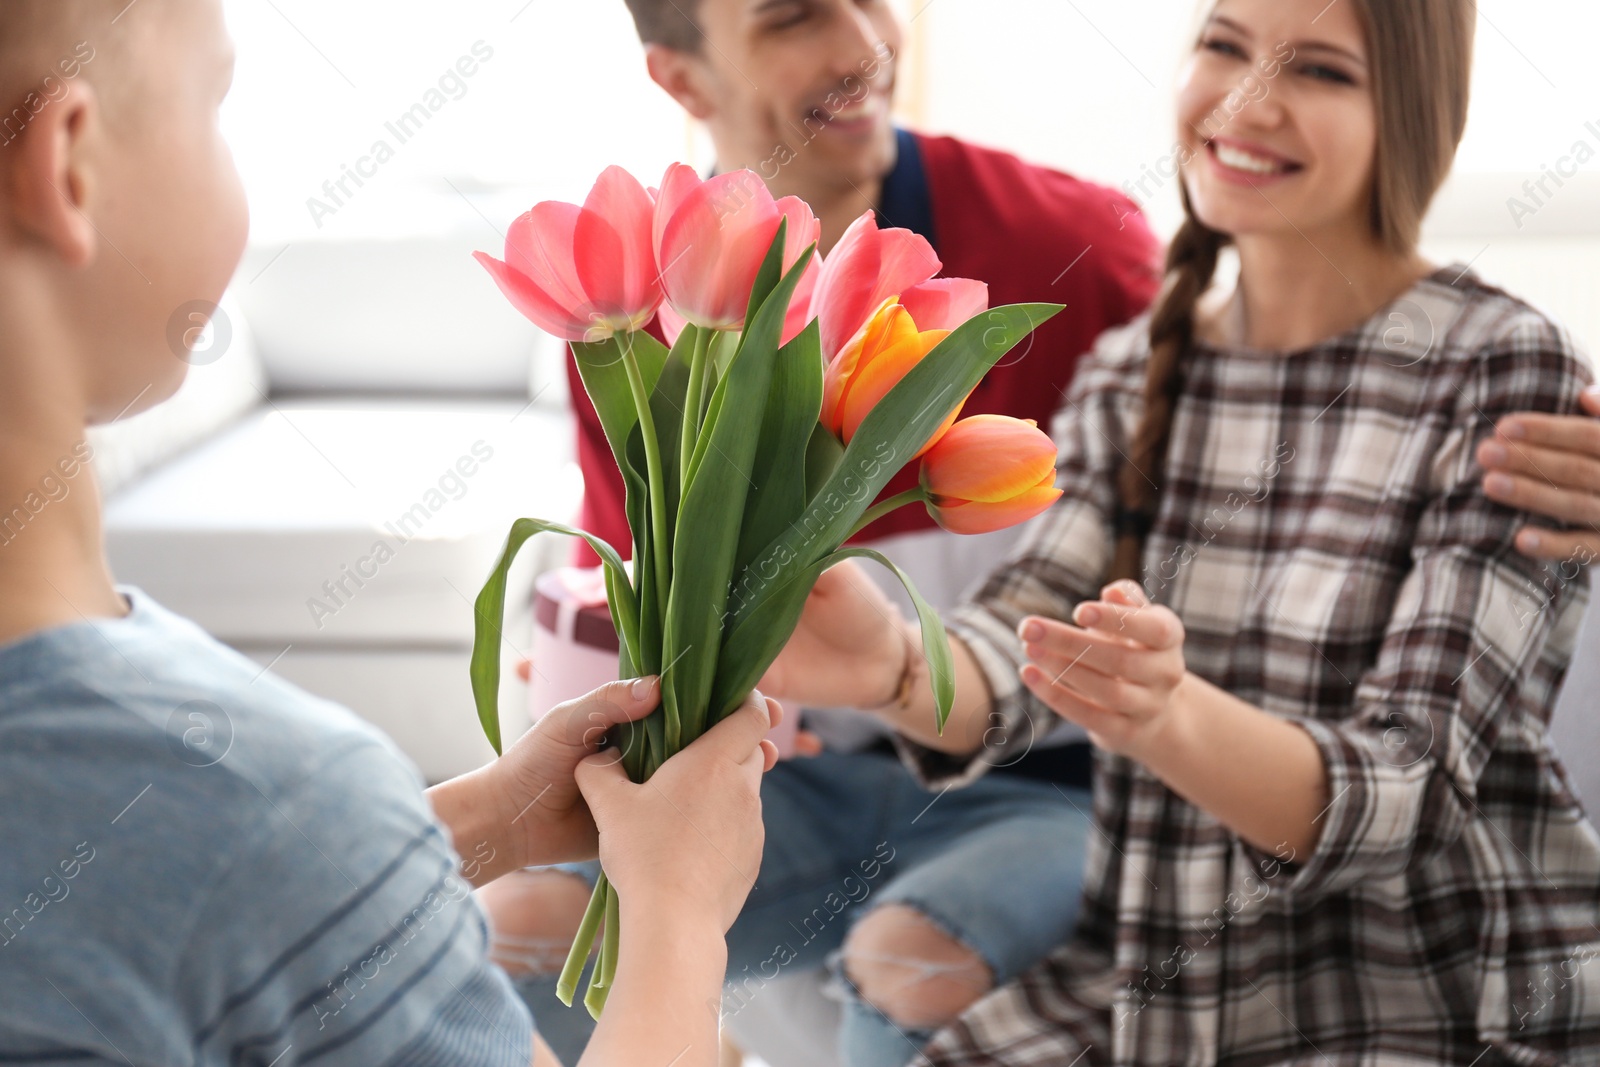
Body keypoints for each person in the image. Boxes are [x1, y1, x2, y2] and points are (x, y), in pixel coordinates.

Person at [490, 1, 1600, 1064]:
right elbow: (1019, 641)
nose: (1246, 103)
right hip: (1184, 967)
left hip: (1413, 985)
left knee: (916, 972)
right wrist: (888, 659)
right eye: (1223, 46)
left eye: (1319, 70)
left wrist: (1159, 712)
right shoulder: (1140, 372)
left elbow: (1404, 799)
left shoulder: (1499, 375)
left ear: (1413, 111)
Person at [0, 3, 779, 1065]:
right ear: (72, 165)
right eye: (216, 103)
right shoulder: (269, 800)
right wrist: (680, 921)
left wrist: (451, 833)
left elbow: (184, 909)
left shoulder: (252, 816)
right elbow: (235, 867)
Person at [486, 0, 1165, 1062]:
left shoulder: (1077, 249)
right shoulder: (636, 313)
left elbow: (1181, 565)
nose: (863, 44)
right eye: (795, 15)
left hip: (1038, 778)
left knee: (912, 954)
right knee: (517, 929)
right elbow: (637, 595)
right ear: (684, 80)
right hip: (784, 777)